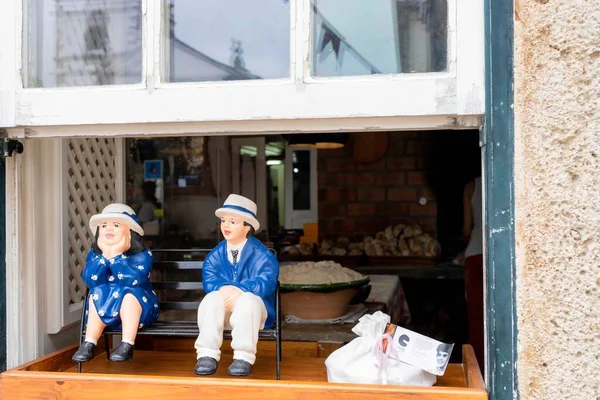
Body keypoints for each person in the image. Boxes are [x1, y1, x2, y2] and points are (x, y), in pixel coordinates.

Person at [193, 194, 279, 377]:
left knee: (248, 302)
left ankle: (243, 356)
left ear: (247, 226)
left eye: (233, 222)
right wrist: (224, 289)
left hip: (253, 313)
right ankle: (206, 354)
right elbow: (209, 278)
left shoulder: (263, 255)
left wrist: (240, 290)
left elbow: (267, 281)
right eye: (224, 221)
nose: (225, 226)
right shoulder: (216, 254)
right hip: (224, 309)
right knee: (211, 300)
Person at [72, 203, 160, 363]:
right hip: (106, 307)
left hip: (140, 308)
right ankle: (89, 342)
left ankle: (127, 344)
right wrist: (105, 258)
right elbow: (91, 280)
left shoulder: (142, 254)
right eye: (104, 225)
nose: (108, 229)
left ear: (130, 232)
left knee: (129, 296)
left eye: (116, 225)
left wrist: (116, 257)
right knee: (95, 294)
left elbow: (133, 279)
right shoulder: (96, 254)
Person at [462, 176, 484, 368]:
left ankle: (476, 368)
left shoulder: (471, 187)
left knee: (476, 317)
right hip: (500, 255)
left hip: (475, 253)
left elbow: (466, 229)